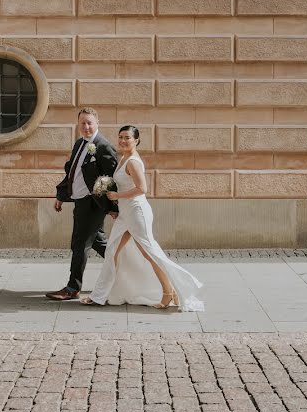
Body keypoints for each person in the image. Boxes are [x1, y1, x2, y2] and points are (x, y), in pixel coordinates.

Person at [80, 125, 204, 311]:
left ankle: (170, 292)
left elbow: (142, 189)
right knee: (112, 251)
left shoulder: (133, 162)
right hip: (125, 213)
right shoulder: (123, 158)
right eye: (120, 137)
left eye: (127, 137)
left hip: (137, 212)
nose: (122, 140)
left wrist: (117, 197)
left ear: (136, 140)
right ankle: (99, 295)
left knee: (150, 252)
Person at [45, 107, 119, 301]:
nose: (86, 126)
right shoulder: (80, 143)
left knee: (79, 245)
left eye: (89, 123)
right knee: (99, 243)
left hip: (93, 205)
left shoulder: (103, 146)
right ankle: (128, 268)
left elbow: (112, 178)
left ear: (97, 123)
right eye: (83, 123)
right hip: (79, 202)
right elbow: (72, 172)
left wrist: (112, 208)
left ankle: (72, 287)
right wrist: (61, 195)